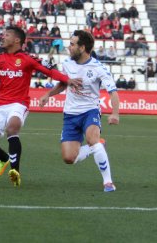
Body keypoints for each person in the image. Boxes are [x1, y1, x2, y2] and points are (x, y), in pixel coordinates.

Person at [0, 26, 82, 187]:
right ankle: (4, 158)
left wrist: (67, 79)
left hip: (19, 104)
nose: (2, 37)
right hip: (0, 105)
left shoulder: (27, 59)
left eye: (6, 35)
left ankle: (15, 171)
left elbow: (49, 72)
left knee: (12, 128)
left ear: (16, 40)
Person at [39, 30, 119, 192]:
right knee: (69, 158)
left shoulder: (98, 68)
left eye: (72, 44)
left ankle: (108, 182)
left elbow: (113, 92)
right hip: (70, 114)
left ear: (82, 48)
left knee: (91, 139)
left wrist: (115, 113)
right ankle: (96, 145)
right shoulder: (68, 63)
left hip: (90, 111)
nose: (69, 47)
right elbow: (63, 83)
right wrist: (48, 94)